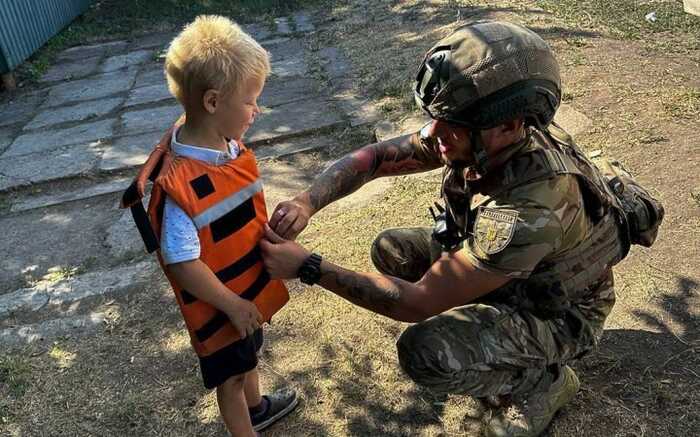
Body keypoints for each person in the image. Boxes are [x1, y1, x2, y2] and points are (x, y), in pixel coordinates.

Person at [260, 20, 656, 436]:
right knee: (393, 250)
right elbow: (376, 159)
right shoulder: (488, 134)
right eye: (436, 118)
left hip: (559, 312)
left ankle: (541, 382)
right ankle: (486, 325)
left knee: (426, 352)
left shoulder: (529, 208)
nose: (433, 133)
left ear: (510, 124)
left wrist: (309, 267)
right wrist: (308, 200)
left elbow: (416, 304)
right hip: (516, 272)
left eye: (453, 123)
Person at [127, 16, 298, 436]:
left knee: (251, 353)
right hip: (222, 306)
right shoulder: (179, 189)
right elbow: (183, 264)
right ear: (212, 102)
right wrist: (233, 305)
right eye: (250, 101)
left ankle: (257, 408)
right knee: (231, 378)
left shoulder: (225, 143)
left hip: (245, 293)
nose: (257, 110)